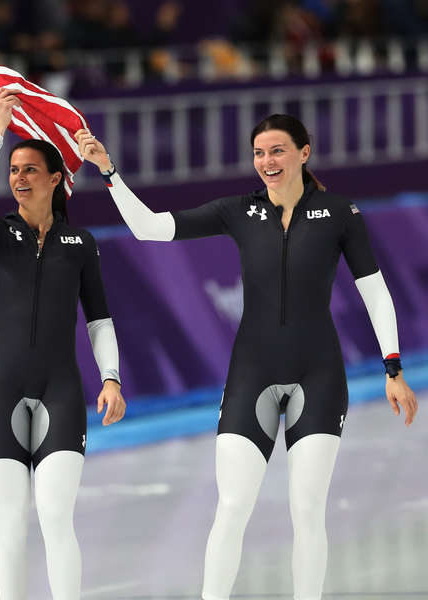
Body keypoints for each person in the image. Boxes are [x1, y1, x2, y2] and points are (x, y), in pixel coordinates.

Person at [76, 114, 418, 599]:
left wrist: (393, 367)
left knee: (307, 510)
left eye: (277, 150)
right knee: (233, 507)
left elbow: (375, 292)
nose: (267, 162)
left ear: (304, 152)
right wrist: (110, 173)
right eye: (259, 153)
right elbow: (149, 228)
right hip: (251, 374)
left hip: (317, 375)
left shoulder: (340, 213)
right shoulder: (238, 211)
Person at [0, 87, 126, 600]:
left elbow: (98, 318)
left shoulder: (80, 245)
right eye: (14, 169)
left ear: (57, 180)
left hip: (61, 389)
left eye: (30, 169)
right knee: (11, 521)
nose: (19, 177)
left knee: (56, 516)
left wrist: (112, 378)